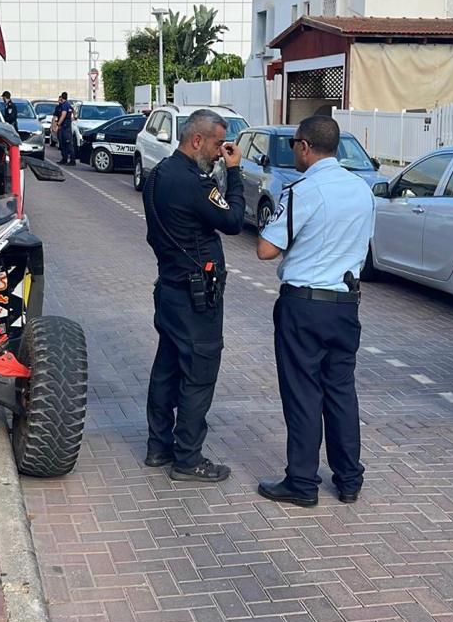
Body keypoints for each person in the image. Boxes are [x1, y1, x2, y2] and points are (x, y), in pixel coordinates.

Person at [255, 116, 375, 507]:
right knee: (341, 391)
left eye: (294, 145)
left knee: (303, 393)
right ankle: (349, 480)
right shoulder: (362, 190)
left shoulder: (303, 189)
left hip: (304, 305)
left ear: (305, 146)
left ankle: (302, 483)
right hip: (345, 304)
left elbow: (266, 249)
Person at [141, 109, 244, 482]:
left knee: (167, 368)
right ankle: (187, 458)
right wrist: (234, 173)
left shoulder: (157, 177)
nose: (221, 151)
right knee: (199, 374)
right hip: (196, 298)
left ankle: (158, 447)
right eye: (218, 143)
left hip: (169, 289)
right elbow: (233, 220)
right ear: (197, 140)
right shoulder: (193, 183)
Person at [53, 92, 75, 165]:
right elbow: (73, 111)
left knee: (67, 143)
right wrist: (74, 117)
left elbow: (63, 114)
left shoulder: (64, 105)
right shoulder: (68, 105)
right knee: (64, 143)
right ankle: (65, 159)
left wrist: (58, 124)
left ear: (62, 97)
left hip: (64, 127)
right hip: (66, 126)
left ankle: (71, 160)